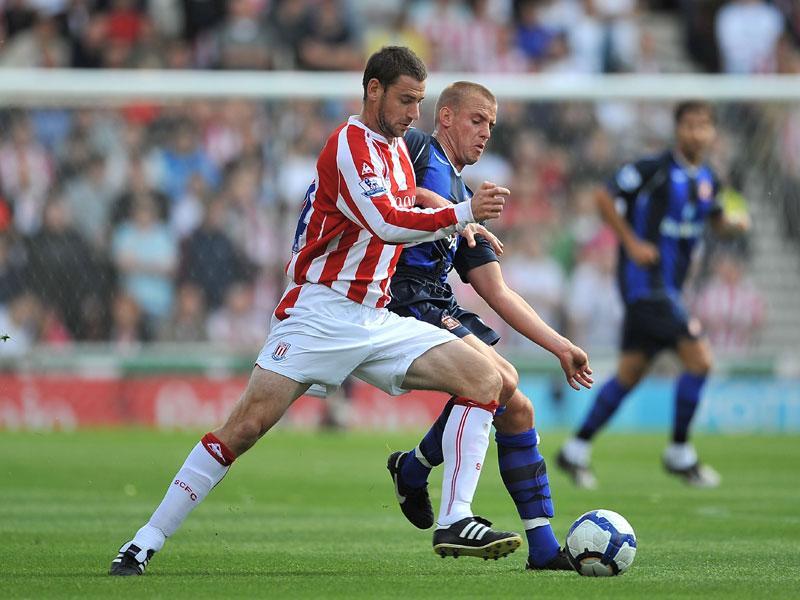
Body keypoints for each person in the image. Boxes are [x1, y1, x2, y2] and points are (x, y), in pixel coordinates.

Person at [109, 46, 519, 577]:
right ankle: (145, 540)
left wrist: (449, 216)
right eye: (405, 100)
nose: (413, 113)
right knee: (246, 427)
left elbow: (409, 193)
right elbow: (387, 221)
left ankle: (455, 519)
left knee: (486, 379)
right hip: (319, 314)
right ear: (373, 90)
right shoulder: (347, 145)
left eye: (419, 101)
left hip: (375, 317)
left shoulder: (394, 149)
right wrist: (463, 211)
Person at [385, 81, 593, 570]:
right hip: (397, 297)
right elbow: (392, 195)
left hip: (438, 304)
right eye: (477, 121)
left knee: (518, 408)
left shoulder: (466, 196)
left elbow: (497, 291)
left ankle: (542, 549)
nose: (485, 134)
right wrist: (455, 216)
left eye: (491, 126)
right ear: (447, 117)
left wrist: (561, 347)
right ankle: (426, 484)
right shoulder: (415, 147)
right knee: (499, 382)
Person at [556, 100, 750, 489]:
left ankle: (575, 449)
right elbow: (602, 196)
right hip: (646, 285)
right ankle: (679, 451)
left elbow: (715, 218)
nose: (696, 133)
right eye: (689, 125)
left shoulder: (709, 177)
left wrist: (733, 224)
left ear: (712, 133)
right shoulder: (654, 169)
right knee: (700, 360)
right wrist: (631, 241)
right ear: (677, 130)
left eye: (703, 126)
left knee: (630, 372)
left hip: (669, 288)